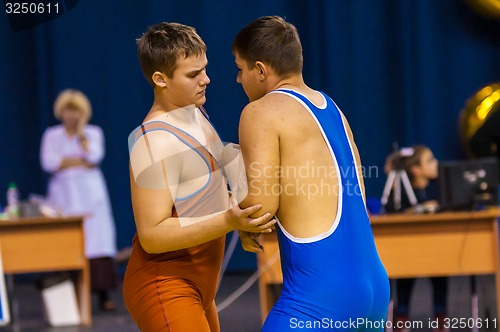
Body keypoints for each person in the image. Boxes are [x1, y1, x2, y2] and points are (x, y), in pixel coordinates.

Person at [233, 16, 390, 331]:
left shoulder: (260, 112)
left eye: (240, 69)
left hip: (321, 297)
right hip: (374, 288)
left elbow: (259, 209)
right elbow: (354, 185)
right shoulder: (333, 108)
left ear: (261, 70)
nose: (238, 80)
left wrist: (235, 217)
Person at [122, 22, 275, 332]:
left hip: (200, 286)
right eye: (193, 75)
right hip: (164, 286)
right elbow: (151, 236)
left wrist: (246, 205)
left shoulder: (193, 111)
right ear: (160, 79)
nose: (206, 80)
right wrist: (229, 221)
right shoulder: (152, 141)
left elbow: (222, 160)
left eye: (204, 69)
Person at [40, 89, 118, 311]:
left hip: (90, 195)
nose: (71, 116)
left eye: (76, 111)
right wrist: (77, 162)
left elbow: (94, 157)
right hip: (63, 195)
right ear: (60, 112)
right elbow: (49, 162)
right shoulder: (52, 135)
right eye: (68, 110)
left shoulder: (93, 133)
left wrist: (79, 141)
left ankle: (103, 295)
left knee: (97, 243)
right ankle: (69, 296)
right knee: (67, 242)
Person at [383, 145, 447, 332]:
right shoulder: (402, 189)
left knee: (440, 275)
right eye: (430, 161)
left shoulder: (441, 186)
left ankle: (441, 320)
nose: (436, 164)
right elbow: (390, 210)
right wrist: (392, 180)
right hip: (408, 249)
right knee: (405, 278)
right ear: (415, 169)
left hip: (438, 247)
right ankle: (401, 320)